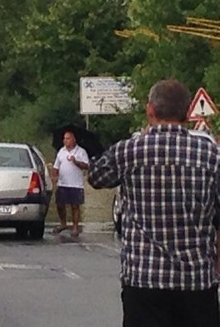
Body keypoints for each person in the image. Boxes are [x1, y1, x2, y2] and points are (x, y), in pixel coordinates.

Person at [89, 79, 220, 327]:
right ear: (188, 111)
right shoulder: (211, 155)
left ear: (150, 110)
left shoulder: (128, 151)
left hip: (144, 280)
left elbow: (96, 177)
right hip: (196, 282)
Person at [52, 130, 89, 237]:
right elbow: (56, 166)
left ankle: (75, 227)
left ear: (73, 140)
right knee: (60, 204)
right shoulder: (61, 151)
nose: (65, 141)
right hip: (63, 183)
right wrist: (54, 177)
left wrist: (76, 162)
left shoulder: (81, 151)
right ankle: (63, 224)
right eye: (64, 138)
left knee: (75, 206)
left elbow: (86, 166)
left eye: (68, 138)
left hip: (76, 183)